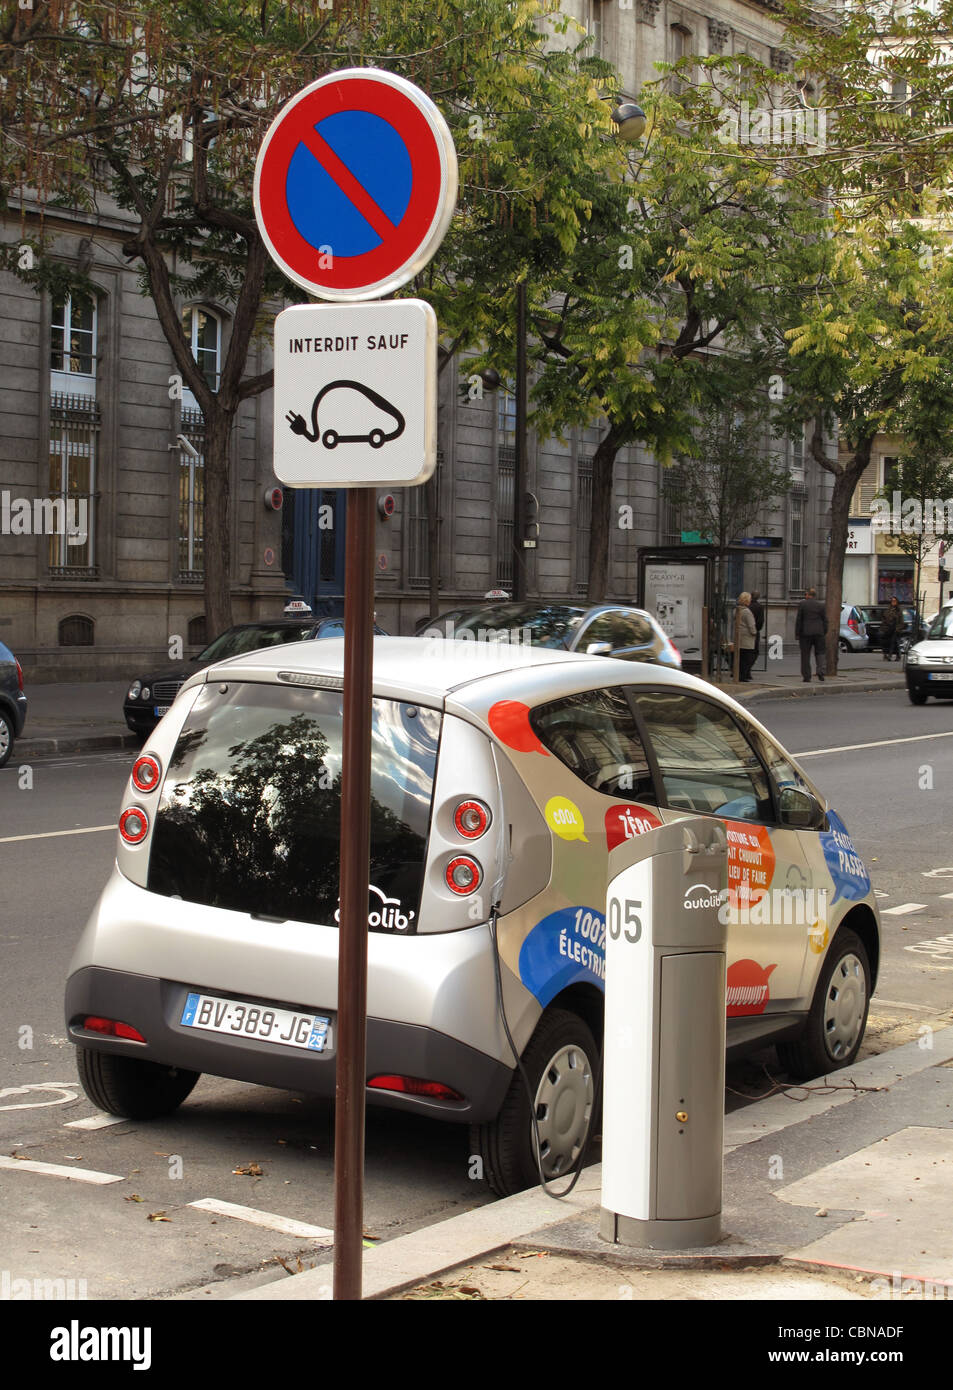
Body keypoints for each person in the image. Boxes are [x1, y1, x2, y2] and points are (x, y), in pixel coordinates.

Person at [795, 586, 827, 682]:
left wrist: (797, 633)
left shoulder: (803, 604)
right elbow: (825, 620)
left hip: (805, 633)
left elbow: (799, 620)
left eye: (806, 594)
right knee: (820, 653)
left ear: (808, 595)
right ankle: (821, 672)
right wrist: (824, 631)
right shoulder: (821, 605)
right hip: (819, 633)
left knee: (805, 655)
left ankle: (806, 676)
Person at [735, 591, 757, 682]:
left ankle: (740, 675)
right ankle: (743, 676)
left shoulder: (737, 610)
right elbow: (751, 625)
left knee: (741, 658)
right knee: (747, 659)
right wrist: (754, 632)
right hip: (747, 638)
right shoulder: (747, 612)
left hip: (739, 637)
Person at [880, 596, 906, 661]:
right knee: (890, 643)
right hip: (888, 629)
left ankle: (890, 656)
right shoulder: (888, 609)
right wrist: (884, 626)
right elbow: (884, 618)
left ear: (897, 602)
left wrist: (898, 628)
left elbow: (901, 621)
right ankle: (897, 655)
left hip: (895, 629)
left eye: (894, 601)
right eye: (892, 601)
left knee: (893, 642)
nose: (893, 602)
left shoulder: (898, 610)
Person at [750, 591, 765, 661]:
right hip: (755, 630)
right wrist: (757, 629)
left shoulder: (747, 605)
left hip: (746, 631)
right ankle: (748, 666)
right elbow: (760, 621)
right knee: (755, 650)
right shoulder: (759, 606)